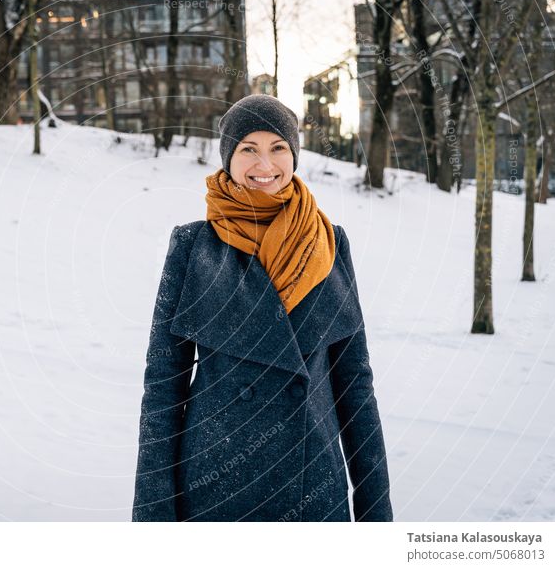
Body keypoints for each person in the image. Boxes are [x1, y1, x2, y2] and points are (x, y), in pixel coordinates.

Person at [132, 94, 393, 522]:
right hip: (213, 485)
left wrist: (376, 515)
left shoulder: (329, 244)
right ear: (228, 158)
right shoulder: (193, 245)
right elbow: (163, 387)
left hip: (313, 486)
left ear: (294, 156)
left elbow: (356, 388)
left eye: (278, 149)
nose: (264, 165)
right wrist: (153, 518)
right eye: (248, 149)